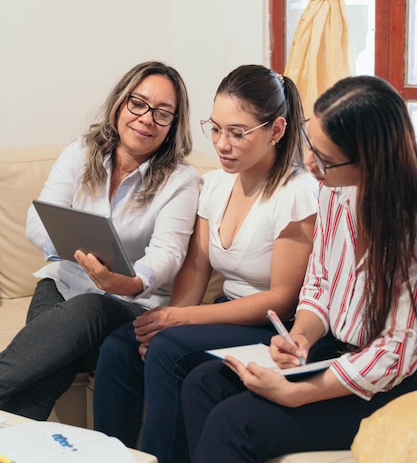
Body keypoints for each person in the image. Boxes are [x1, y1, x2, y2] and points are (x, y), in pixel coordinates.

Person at [180, 75, 417, 463]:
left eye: (324, 158)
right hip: (335, 350)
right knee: (203, 383)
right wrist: (301, 337)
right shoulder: (332, 189)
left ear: (370, 160)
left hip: (390, 379)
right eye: (311, 144)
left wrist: (298, 392)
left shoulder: (408, 228)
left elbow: (396, 351)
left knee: (234, 423)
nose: (309, 163)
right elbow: (319, 282)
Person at [93, 64, 318, 461]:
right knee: (119, 347)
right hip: (222, 316)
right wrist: (167, 320)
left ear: (276, 131)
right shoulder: (215, 185)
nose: (221, 144)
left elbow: (281, 298)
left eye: (237, 133)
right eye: (215, 128)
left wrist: (177, 322)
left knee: (167, 350)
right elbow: (196, 269)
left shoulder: (296, 195)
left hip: (270, 327)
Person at [0, 61, 200, 421]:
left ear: (173, 125)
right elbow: (39, 219)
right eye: (137, 103)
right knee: (48, 368)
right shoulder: (81, 152)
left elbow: (168, 252)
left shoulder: (180, 180)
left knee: (89, 308)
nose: (146, 118)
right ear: (120, 103)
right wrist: (79, 254)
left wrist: (133, 281)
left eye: (162, 113)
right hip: (63, 284)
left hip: (127, 305)